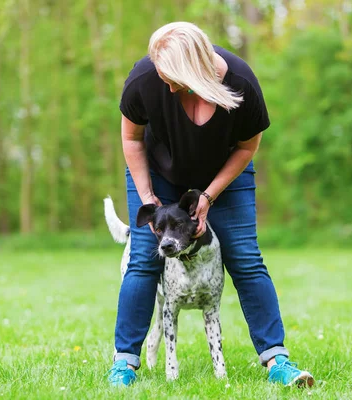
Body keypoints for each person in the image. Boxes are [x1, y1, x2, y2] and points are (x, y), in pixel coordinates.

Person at [108, 21, 314, 388]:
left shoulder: (241, 83)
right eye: (160, 74)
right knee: (143, 259)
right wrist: (147, 199)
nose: (166, 85)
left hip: (222, 175)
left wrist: (208, 196)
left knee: (245, 257)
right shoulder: (145, 79)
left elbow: (247, 147)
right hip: (156, 173)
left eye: (172, 77)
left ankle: (276, 360)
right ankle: (123, 365)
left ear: (193, 68)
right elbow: (131, 139)